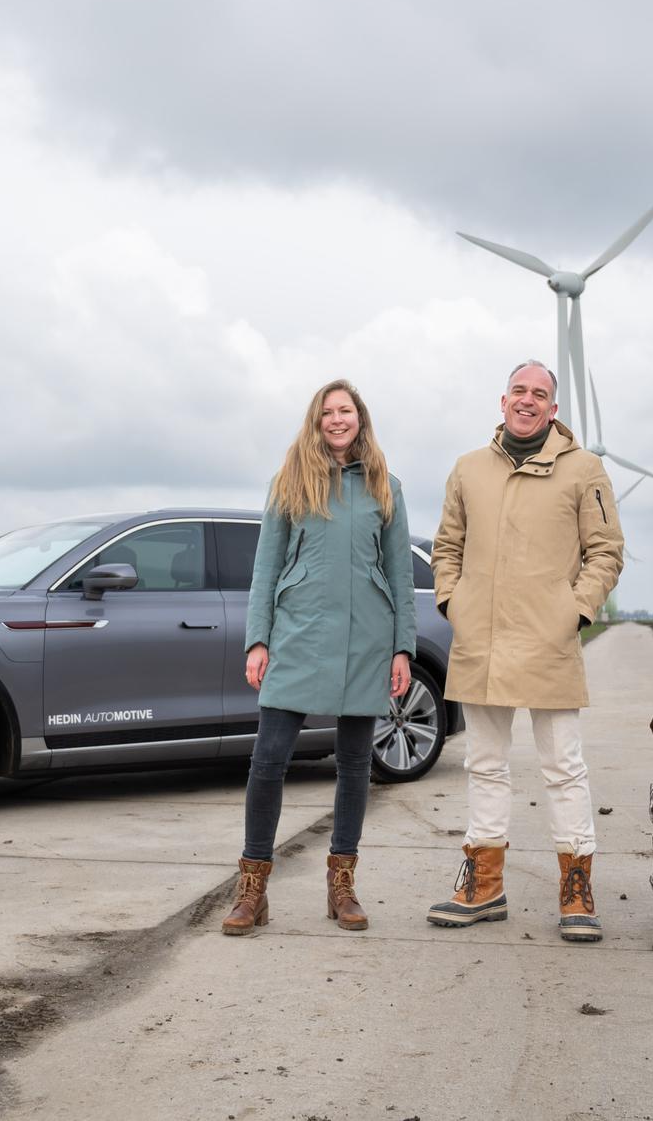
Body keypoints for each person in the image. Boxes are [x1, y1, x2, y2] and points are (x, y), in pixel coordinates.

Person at [426, 360, 624, 941]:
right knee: (483, 763)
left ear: (554, 409)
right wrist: (452, 603)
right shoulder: (467, 469)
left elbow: (606, 550)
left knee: (563, 767)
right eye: (520, 391)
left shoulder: (585, 470)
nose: (528, 400)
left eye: (540, 394)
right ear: (503, 400)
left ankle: (576, 888)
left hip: (548, 640)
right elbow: (446, 547)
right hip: (480, 642)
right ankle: (483, 885)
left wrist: (576, 611)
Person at [222, 379, 416, 936]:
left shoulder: (387, 485)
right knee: (268, 760)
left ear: (361, 419)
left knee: (355, 765)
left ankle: (342, 887)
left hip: (367, 640)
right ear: (316, 420)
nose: (337, 420)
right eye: (328, 412)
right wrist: (258, 638)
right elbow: (266, 566)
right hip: (299, 635)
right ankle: (252, 890)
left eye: (346, 410)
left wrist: (402, 647)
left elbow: (401, 574)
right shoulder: (290, 481)